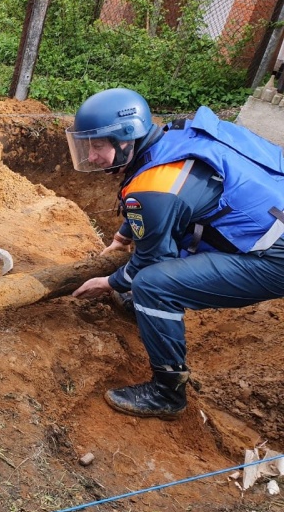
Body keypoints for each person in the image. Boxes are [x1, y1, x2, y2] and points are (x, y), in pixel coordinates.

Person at [66, 87, 284, 420]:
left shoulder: (152, 190)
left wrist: (110, 282)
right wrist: (123, 236)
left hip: (274, 257)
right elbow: (169, 203)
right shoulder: (175, 135)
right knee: (158, 262)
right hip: (269, 215)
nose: (92, 156)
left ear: (126, 139)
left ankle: (167, 392)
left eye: (98, 145)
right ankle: (146, 311)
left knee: (152, 284)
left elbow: (151, 252)